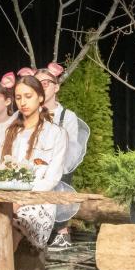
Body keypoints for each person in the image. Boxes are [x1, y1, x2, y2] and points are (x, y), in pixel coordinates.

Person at [0, 75, 68, 252]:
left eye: (28, 96)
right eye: (18, 97)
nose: (23, 102)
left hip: (39, 203)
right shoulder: (7, 132)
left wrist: (20, 200)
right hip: (6, 199)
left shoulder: (56, 134)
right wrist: (6, 198)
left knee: (15, 220)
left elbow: (51, 179)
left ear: (40, 97)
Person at [32, 64, 88, 251]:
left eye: (46, 83)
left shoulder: (67, 116)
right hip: (33, 167)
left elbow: (71, 148)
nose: (42, 86)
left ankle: (61, 232)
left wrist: (51, 164)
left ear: (56, 87)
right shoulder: (29, 113)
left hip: (58, 166)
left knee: (58, 182)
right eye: (37, 83)